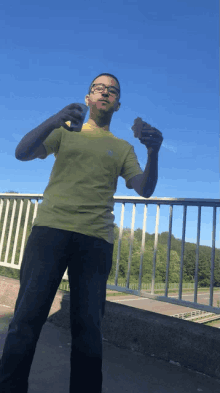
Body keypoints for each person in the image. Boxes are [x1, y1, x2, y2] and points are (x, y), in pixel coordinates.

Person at [0, 73, 146, 393]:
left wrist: (156, 151)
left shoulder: (122, 147)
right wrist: (55, 119)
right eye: (99, 88)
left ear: (117, 104)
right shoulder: (65, 133)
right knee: (25, 321)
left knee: (88, 330)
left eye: (112, 91)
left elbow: (144, 188)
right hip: (49, 232)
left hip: (96, 242)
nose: (105, 93)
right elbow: (22, 152)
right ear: (88, 97)